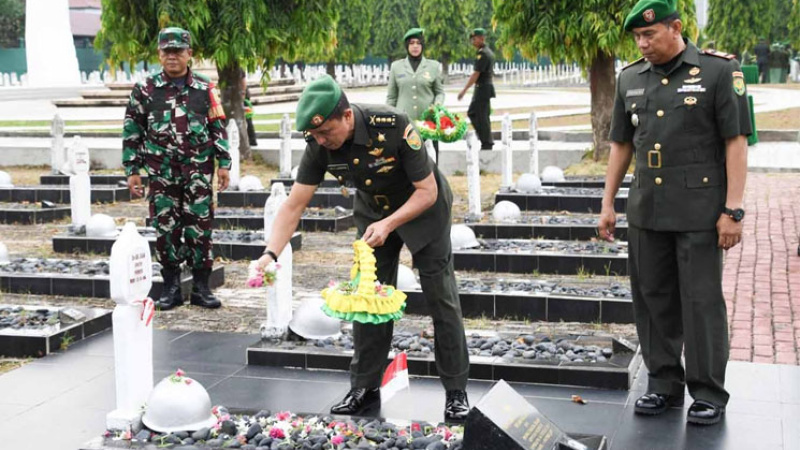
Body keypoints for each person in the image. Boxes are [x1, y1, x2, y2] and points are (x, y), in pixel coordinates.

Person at [256, 75, 471, 421]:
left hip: (423, 210)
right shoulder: (320, 145)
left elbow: (427, 191)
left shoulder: (393, 125)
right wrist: (270, 254)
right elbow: (294, 205)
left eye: (326, 132)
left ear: (346, 117)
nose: (322, 141)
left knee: (440, 296)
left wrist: (389, 224)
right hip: (374, 214)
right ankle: (365, 385)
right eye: (316, 136)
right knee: (366, 298)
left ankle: (456, 390)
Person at [598, 0, 750, 426]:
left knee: (700, 301)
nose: (642, 44)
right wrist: (608, 204)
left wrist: (733, 210)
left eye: (650, 35)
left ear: (676, 28)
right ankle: (663, 383)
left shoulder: (719, 72)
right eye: (637, 38)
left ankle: (708, 391)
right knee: (653, 299)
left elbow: (735, 142)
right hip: (647, 209)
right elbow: (621, 145)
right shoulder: (630, 78)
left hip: (701, 211)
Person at [123, 27, 231, 310]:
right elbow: (132, 130)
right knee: (165, 230)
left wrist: (224, 164)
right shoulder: (145, 90)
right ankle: (170, 288)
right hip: (162, 174)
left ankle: (200, 288)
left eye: (178, 51)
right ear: (159, 54)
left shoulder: (205, 89)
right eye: (167, 52)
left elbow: (217, 127)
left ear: (189, 54)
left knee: (200, 229)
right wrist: (132, 169)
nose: (172, 57)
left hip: (198, 173)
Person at [387, 28, 445, 160]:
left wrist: (436, 106)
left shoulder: (433, 66)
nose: (415, 46)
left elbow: (440, 93)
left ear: (422, 46)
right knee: (406, 161)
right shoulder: (396, 67)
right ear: (407, 46)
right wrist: (389, 118)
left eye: (418, 43)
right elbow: (391, 97)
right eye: (411, 43)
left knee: (431, 161)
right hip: (405, 124)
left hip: (428, 124)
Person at [458, 28, 495, 150]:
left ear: (481, 38)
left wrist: (464, 90)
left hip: (482, 88)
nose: (473, 41)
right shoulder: (487, 52)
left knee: (476, 114)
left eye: (474, 39)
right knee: (481, 115)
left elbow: (476, 74)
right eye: (472, 39)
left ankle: (486, 141)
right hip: (484, 87)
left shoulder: (483, 54)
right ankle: (486, 141)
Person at [240, 69, 258, 147]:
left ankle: (252, 139)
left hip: (242, 95)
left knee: (247, 118)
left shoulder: (238, 69)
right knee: (247, 119)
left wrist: (243, 95)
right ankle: (251, 139)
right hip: (242, 94)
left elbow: (243, 81)